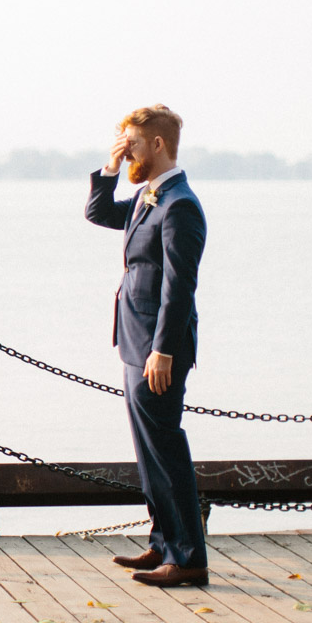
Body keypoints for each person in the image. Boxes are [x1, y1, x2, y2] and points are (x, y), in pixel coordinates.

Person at [85, 105, 209, 587]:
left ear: (157, 144)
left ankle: (188, 557)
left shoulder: (180, 204)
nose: (126, 149)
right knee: (147, 451)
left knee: (166, 448)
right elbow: (99, 213)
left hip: (159, 348)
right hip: (134, 341)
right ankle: (162, 543)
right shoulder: (146, 197)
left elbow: (180, 287)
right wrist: (110, 172)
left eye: (131, 143)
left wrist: (164, 351)